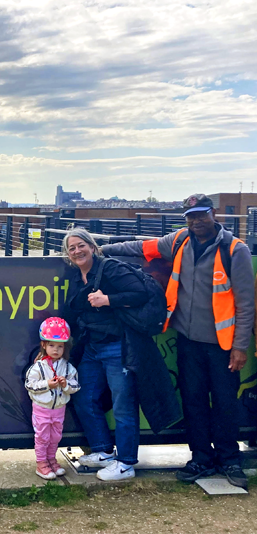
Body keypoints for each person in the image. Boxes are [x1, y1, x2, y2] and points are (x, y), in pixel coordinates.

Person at [101, 194, 255, 489]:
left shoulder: (235, 250)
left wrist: (239, 346)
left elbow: (246, 304)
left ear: (214, 214)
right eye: (191, 216)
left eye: (201, 215)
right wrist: (99, 250)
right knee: (193, 402)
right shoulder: (179, 241)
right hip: (187, 341)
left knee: (225, 403)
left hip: (223, 346)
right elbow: (139, 247)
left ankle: (229, 459)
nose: (196, 221)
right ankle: (200, 458)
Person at [62, 228, 149, 481]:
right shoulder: (79, 276)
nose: (77, 251)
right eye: (72, 248)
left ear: (92, 246)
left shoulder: (110, 268)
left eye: (81, 245)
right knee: (84, 398)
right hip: (92, 346)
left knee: (123, 406)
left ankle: (126, 463)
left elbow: (139, 294)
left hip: (117, 346)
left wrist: (108, 299)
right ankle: (102, 451)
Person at [25, 317, 80, 480]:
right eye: (51, 345)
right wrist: (47, 384)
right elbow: (30, 384)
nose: (55, 350)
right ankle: (41, 463)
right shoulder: (38, 366)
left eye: (60, 346)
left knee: (55, 436)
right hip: (42, 408)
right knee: (43, 437)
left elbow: (76, 386)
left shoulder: (68, 367)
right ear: (43, 345)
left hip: (59, 409)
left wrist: (65, 385)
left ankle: (51, 460)